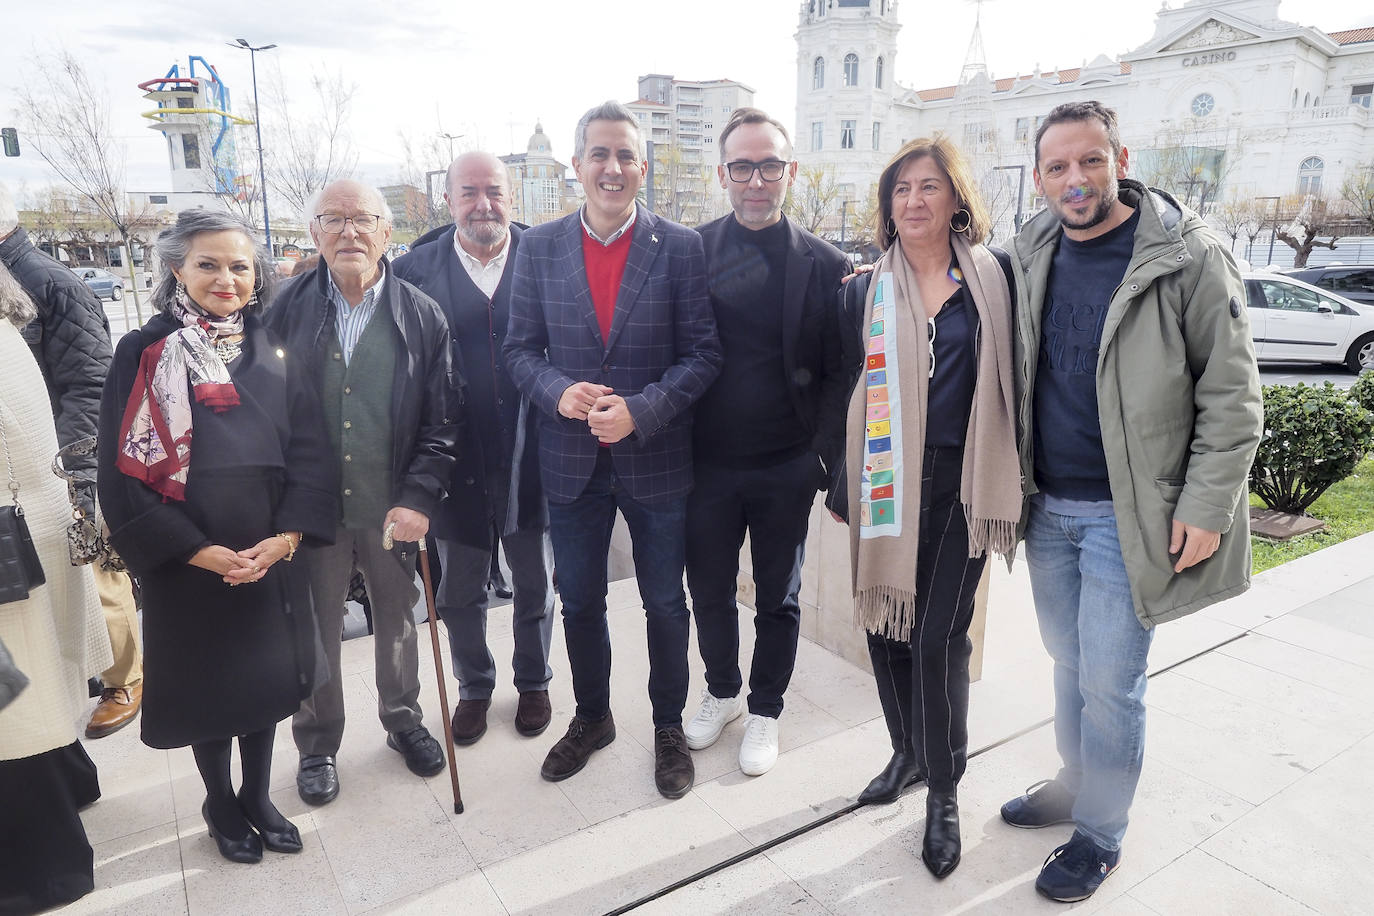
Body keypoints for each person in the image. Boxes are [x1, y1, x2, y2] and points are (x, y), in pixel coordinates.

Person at [999, 100, 1261, 903]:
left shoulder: (1188, 257)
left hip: (1131, 515)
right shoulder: (1033, 247)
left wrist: (1206, 507)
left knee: (1112, 681)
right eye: (1056, 167)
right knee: (1067, 660)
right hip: (1048, 507)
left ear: (1120, 156)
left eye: (1089, 161)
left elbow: (1234, 398)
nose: (1074, 180)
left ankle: (1100, 833)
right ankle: (1077, 782)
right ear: (1039, 177)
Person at [97, 210, 336, 864]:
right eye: (208, 264)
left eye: (238, 265)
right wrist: (193, 548)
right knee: (211, 691)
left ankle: (259, 794)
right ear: (177, 267)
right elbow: (121, 472)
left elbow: (312, 450)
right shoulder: (143, 350)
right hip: (188, 559)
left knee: (264, 685)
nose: (226, 278)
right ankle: (219, 801)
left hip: (266, 554)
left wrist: (287, 536)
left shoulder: (272, 345)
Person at [505, 101, 722, 799]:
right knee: (581, 604)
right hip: (569, 462)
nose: (613, 167)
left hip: (656, 459)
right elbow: (517, 350)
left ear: (643, 167)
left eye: (626, 155)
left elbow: (703, 354)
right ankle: (593, 717)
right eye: (599, 154)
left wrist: (643, 410)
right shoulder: (538, 247)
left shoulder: (681, 247)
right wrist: (557, 391)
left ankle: (666, 727)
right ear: (576, 166)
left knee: (664, 602)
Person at [831, 136, 1021, 878]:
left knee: (939, 635)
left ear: (955, 197)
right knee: (887, 626)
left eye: (929, 186)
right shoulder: (862, 290)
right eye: (901, 189)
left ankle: (943, 790)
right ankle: (905, 752)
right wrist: (842, 480)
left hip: (963, 480)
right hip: (884, 477)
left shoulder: (991, 279)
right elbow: (838, 389)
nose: (914, 200)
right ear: (888, 205)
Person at [266, 179, 458, 806]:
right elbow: (261, 413)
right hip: (310, 511)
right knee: (314, 631)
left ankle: (403, 720)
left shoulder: (422, 315)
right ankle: (317, 743)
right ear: (314, 233)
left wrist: (420, 496)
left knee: (399, 622)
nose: (349, 232)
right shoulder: (284, 310)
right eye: (333, 219)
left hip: (390, 507)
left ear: (387, 233)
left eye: (363, 220)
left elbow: (443, 421)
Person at [685, 108, 847, 777]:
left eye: (770, 165)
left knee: (779, 597)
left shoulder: (828, 265)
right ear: (723, 173)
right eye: (744, 167)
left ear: (791, 172)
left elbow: (843, 374)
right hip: (705, 465)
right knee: (710, 590)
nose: (757, 180)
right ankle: (722, 691)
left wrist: (824, 462)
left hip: (785, 466)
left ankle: (766, 708)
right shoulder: (690, 253)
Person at [394, 152, 555, 745]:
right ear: (449, 198)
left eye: (494, 192)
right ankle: (474, 686)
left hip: (531, 450)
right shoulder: (414, 271)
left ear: (512, 197)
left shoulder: (546, 257)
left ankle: (534, 680)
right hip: (450, 457)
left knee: (534, 578)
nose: (483, 204)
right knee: (459, 587)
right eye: (469, 192)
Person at [0, 185, 144, 740]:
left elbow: (90, 384)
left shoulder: (51, 283)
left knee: (96, 566)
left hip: (59, 458)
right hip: (18, 466)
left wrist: (79, 474)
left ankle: (124, 678)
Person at [0, 261, 111, 912]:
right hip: (28, 519)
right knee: (32, 677)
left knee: (13, 701)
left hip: (11, 534)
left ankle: (44, 868)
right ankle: (73, 780)